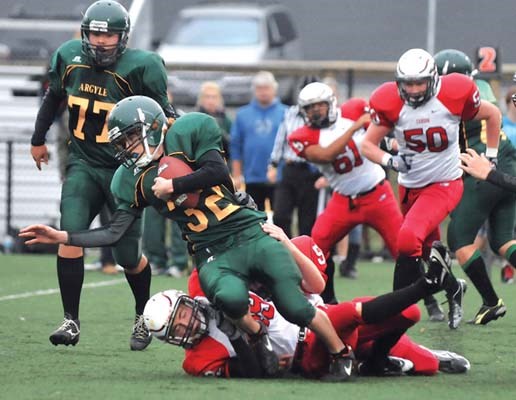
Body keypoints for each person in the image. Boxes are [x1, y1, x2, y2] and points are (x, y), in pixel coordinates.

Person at [21, 96, 359, 382]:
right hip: (211, 250)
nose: (126, 149)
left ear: (152, 128)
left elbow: (218, 173)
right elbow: (115, 231)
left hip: (246, 230)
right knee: (229, 298)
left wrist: (174, 186)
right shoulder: (131, 179)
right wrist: (64, 235)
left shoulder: (188, 132)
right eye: (121, 143)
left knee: (295, 303)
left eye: (129, 139)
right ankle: (257, 336)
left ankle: (341, 352)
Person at [28, 0, 177, 350]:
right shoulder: (69, 57)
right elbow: (53, 99)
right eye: (95, 34)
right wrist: (38, 140)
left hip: (125, 170)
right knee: (69, 235)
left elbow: (163, 115)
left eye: (108, 34)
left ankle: (142, 314)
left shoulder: (143, 66)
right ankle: (70, 320)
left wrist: (163, 154)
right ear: (85, 34)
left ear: (122, 37)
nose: (100, 41)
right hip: (83, 164)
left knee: (127, 256)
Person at [142, 236, 467, 379]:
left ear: (186, 302)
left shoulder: (205, 283)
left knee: (416, 337)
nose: (186, 326)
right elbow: (255, 372)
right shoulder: (198, 359)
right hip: (307, 348)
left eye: (181, 316)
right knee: (347, 314)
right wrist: (243, 336)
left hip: (309, 315)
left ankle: (379, 361)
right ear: (174, 341)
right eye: (178, 330)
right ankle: (427, 285)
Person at [361, 48, 501, 329]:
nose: (413, 90)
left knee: (406, 239)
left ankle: (394, 315)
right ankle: (453, 288)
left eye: (419, 83)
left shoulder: (453, 94)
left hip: (444, 182)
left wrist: (491, 156)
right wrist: (391, 160)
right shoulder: (389, 100)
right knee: (426, 253)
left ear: (433, 79)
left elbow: (493, 114)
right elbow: (367, 144)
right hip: (410, 186)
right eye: (408, 83)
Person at [288, 83, 403, 303]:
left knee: (404, 249)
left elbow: (384, 123)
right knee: (317, 246)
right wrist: (354, 129)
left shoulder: (355, 109)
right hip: (343, 199)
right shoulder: (301, 136)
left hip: (377, 193)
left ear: (330, 102)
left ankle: (431, 299)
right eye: (309, 108)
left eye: (318, 105)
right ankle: (328, 300)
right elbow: (325, 156)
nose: (314, 111)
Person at [434, 49, 513, 325]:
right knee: (502, 240)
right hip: (507, 159)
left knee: (458, 237)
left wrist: (488, 164)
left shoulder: (450, 95)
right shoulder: (480, 87)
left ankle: (491, 301)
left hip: (484, 165)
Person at [267, 76, 321, 238]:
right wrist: (273, 164)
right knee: (281, 215)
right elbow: (280, 139)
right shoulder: (290, 113)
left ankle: (304, 255)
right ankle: (288, 250)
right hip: (290, 169)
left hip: (311, 171)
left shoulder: (323, 117)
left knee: (307, 221)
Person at [230, 71, 287, 211]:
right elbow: (236, 146)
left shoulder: (286, 113)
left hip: (280, 177)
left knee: (281, 219)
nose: (263, 92)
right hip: (252, 177)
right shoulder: (243, 114)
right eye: (259, 88)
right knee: (254, 218)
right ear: (254, 91)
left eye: (266, 88)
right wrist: (237, 175)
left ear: (274, 89)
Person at [196, 81, 232, 159]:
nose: (210, 101)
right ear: (201, 99)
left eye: (214, 97)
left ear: (219, 99)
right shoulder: (195, 119)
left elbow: (231, 146)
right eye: (207, 97)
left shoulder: (225, 120)